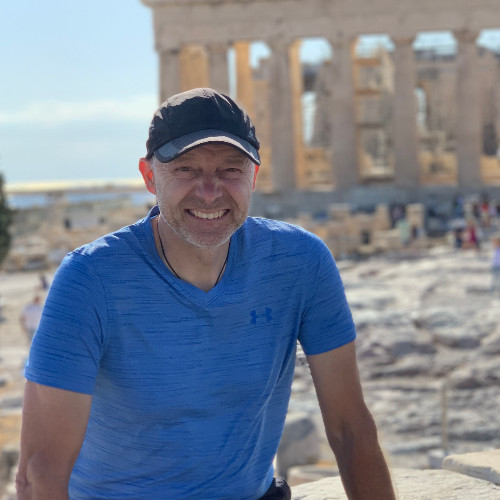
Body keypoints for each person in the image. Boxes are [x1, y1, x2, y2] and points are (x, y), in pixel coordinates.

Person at [17, 88, 395, 500]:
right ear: (149, 177)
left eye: (231, 169)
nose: (211, 191)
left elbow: (350, 428)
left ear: (254, 176)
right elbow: (40, 472)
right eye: (186, 169)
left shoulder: (300, 262)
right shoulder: (89, 278)